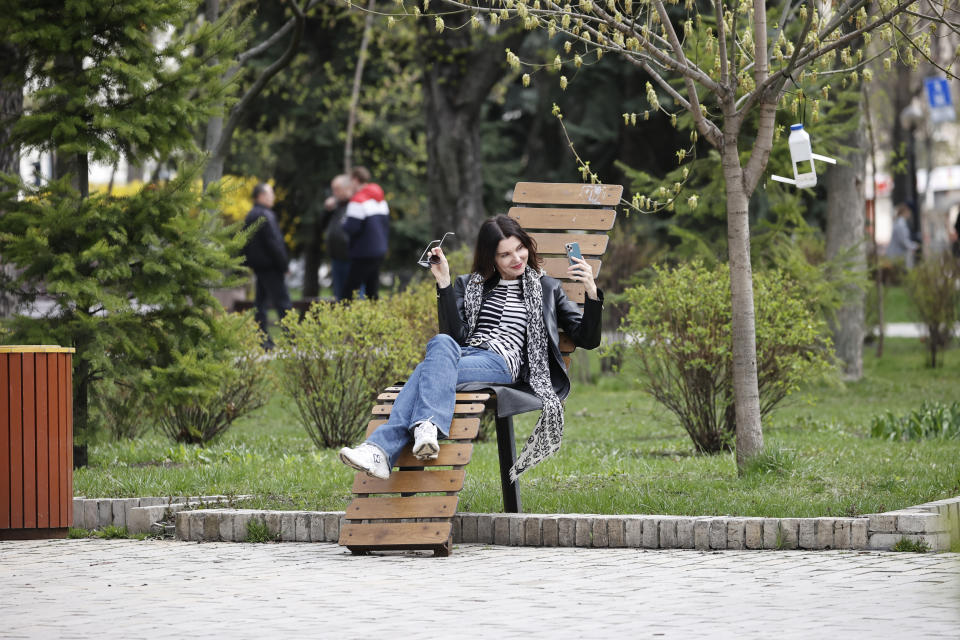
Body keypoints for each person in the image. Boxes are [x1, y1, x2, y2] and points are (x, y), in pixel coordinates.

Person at [338, 214, 604, 481]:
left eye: (520, 248)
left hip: (502, 363)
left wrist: (591, 291)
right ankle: (421, 428)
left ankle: (385, 446)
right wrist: (443, 282)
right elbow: (454, 337)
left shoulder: (548, 288)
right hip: (466, 355)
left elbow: (588, 339)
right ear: (491, 258)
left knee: (425, 370)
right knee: (440, 345)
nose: (517, 259)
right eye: (505, 255)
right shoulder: (470, 285)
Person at [243, 182, 292, 347]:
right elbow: (274, 244)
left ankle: (263, 340)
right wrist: (284, 265)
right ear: (261, 196)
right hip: (271, 266)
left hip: (259, 266)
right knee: (282, 302)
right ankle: (293, 339)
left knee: (260, 303)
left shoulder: (251, 214)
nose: (273, 197)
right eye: (270, 194)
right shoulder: (265, 215)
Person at [342, 166, 389, 300]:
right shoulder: (380, 198)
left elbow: (351, 228)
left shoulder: (358, 200)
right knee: (372, 291)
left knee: (349, 292)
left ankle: (343, 319)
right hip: (379, 250)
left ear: (355, 180)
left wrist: (343, 221)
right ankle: (373, 319)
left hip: (363, 252)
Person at [322, 174, 359, 301]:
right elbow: (323, 225)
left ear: (347, 188)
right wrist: (327, 210)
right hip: (336, 257)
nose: (334, 193)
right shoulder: (336, 206)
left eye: (337, 189)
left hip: (352, 258)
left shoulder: (356, 204)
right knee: (340, 297)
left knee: (356, 295)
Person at [886, 203, 919, 269]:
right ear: (906, 212)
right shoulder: (901, 224)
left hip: (897, 255)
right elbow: (903, 241)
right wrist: (914, 246)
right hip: (898, 255)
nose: (910, 214)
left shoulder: (899, 222)